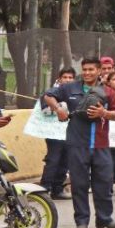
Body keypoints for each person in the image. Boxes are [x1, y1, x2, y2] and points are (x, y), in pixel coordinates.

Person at [42, 56, 115, 228]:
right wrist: (59, 109)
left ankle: (105, 218)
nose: (87, 73)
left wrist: (104, 112)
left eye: (91, 70)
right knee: (79, 184)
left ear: (99, 71)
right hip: (77, 144)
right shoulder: (68, 88)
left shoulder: (108, 92)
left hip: (101, 145)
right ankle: (81, 221)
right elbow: (47, 96)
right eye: (84, 69)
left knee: (104, 183)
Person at [40, 67, 76, 199]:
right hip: (53, 133)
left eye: (70, 77)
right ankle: (44, 189)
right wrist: (60, 108)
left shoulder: (75, 93)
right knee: (53, 159)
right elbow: (44, 110)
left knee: (65, 160)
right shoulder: (51, 92)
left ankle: (57, 189)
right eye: (65, 77)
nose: (68, 80)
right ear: (59, 79)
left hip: (70, 132)